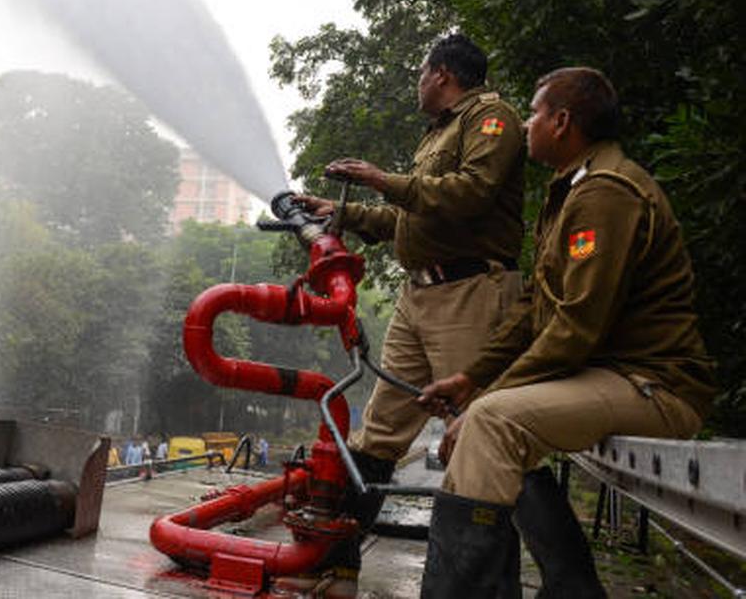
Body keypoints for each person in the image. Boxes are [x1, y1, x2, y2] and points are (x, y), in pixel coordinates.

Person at [416, 67, 717, 598]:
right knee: (489, 417)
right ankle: (572, 588)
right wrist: (470, 379)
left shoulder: (605, 193)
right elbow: (535, 308)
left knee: (490, 423)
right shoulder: (573, 189)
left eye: (533, 112)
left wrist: (486, 399)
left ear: (561, 122)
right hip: (616, 377)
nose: (526, 123)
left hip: (655, 385)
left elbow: (578, 327)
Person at [290, 33, 526, 589]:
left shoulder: (492, 119)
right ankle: (336, 561)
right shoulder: (437, 134)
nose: (417, 83)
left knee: (478, 433)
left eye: (421, 72)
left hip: (468, 292)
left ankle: (518, 582)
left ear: (441, 73)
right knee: (378, 434)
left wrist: (381, 180)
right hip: (418, 296)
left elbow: (471, 192)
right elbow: (414, 218)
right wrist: (342, 214)